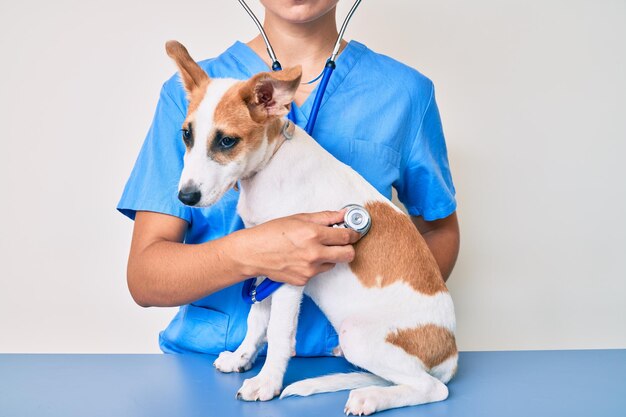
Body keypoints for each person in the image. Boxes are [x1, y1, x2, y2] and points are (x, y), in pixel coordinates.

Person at [117, 0, 459, 356]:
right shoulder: (193, 95)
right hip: (211, 361)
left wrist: (388, 317)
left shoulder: (404, 93)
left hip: (351, 360)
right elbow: (145, 278)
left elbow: (438, 230)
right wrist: (252, 252)